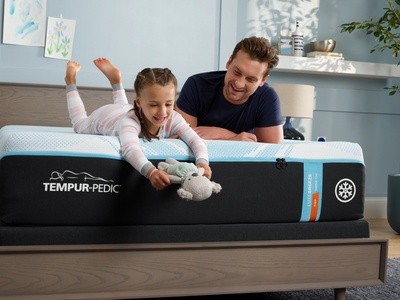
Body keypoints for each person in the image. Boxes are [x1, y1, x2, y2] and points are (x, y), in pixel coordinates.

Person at [64, 58, 212, 191]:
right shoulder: (129, 122)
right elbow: (130, 148)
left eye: (168, 103)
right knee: (79, 124)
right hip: (107, 116)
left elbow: (195, 140)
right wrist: (151, 171)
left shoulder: (174, 117)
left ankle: (116, 82)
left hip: (127, 109)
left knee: (125, 106)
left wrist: (203, 162)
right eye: (154, 104)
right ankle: (70, 81)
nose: (163, 112)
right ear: (139, 102)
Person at [175, 36, 283, 143]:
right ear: (229, 62)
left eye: (250, 79)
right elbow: (182, 139)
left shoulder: (267, 98)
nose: (239, 84)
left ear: (262, 80)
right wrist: (232, 138)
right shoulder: (196, 85)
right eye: (237, 72)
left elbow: (272, 152)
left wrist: (223, 135)